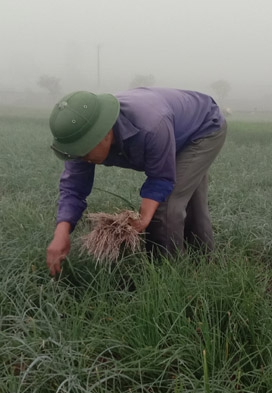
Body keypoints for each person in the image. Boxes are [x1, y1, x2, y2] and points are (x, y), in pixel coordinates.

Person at [46, 87, 227, 276]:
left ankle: (167, 277)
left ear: (105, 134)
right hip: (174, 127)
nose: (82, 158)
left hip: (203, 128)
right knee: (189, 199)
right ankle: (204, 265)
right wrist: (61, 234)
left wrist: (145, 217)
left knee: (167, 205)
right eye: (77, 152)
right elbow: (74, 189)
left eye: (85, 151)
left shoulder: (149, 125)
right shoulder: (82, 136)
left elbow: (161, 178)